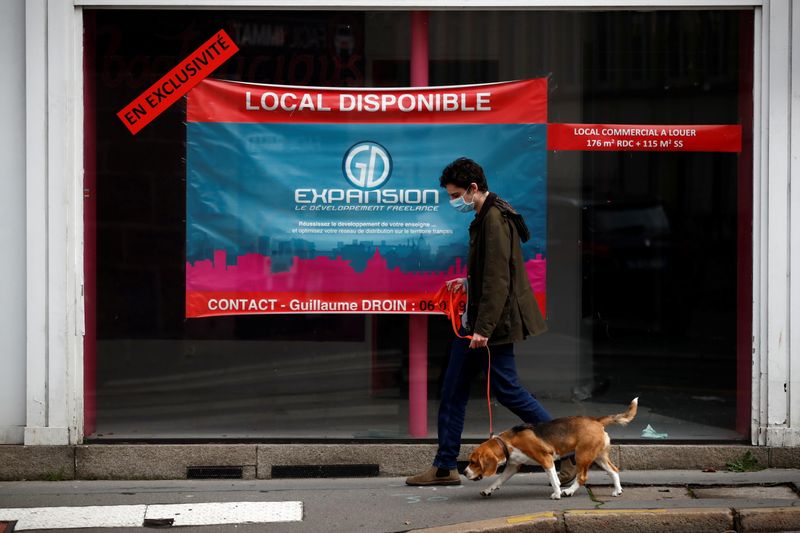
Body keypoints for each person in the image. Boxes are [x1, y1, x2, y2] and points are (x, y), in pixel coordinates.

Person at [405, 157, 576, 486]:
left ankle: (568, 451)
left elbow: (499, 281)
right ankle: (444, 467)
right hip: (477, 321)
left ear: (472, 188)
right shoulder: (485, 215)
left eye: (456, 194)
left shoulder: (494, 219)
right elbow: (489, 273)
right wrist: (466, 283)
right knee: (453, 388)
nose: (454, 201)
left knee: (508, 390)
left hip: (490, 326)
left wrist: (483, 329)